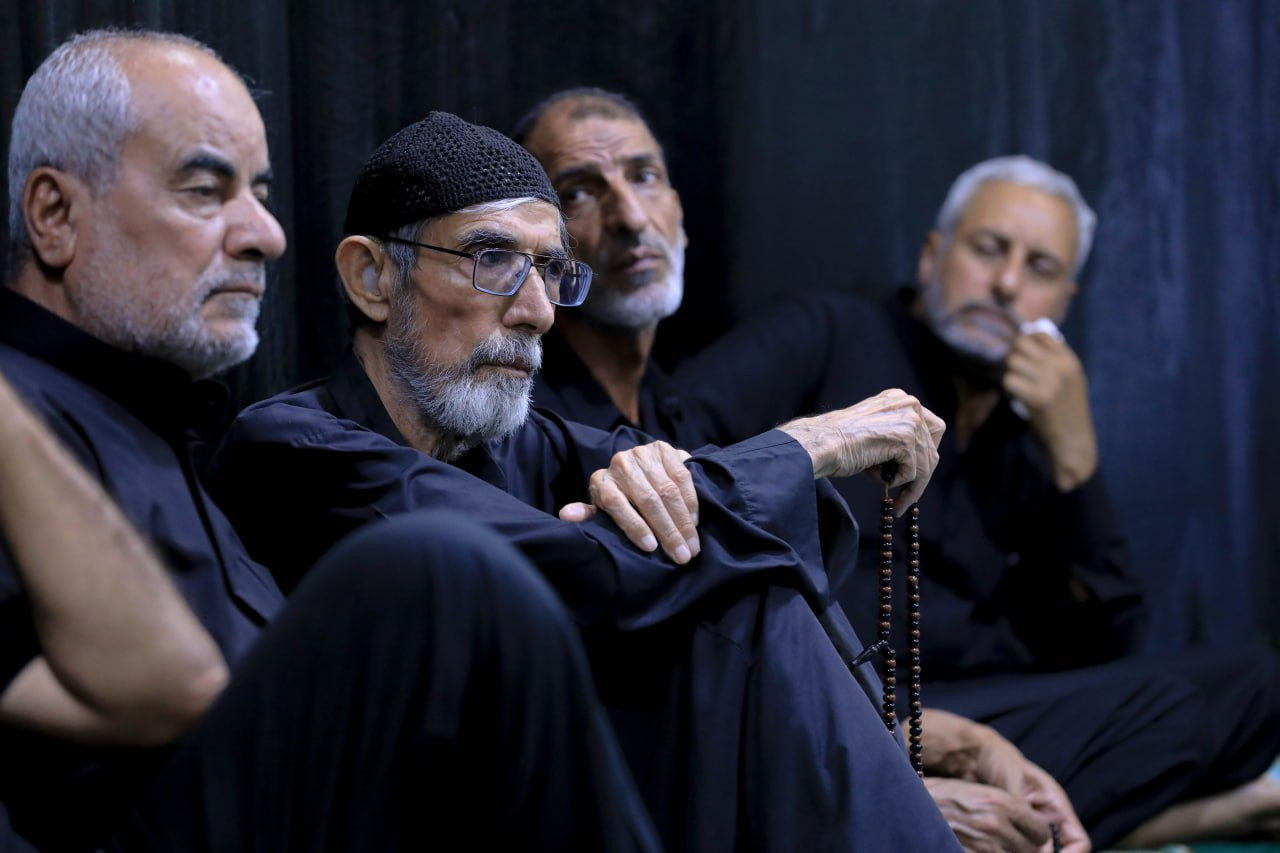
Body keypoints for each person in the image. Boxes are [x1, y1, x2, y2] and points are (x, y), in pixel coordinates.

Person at [207, 109, 974, 851]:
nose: (538, 311)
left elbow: (738, 523)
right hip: (409, 817)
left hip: (540, 797)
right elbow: (583, 571)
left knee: (743, 584)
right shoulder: (293, 448)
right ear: (372, 276)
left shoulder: (523, 444)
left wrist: (677, 478)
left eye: (550, 269)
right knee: (734, 600)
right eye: (493, 259)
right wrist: (813, 442)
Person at [0, 29, 663, 851]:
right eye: (205, 190)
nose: (267, 234)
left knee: (743, 609)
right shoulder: (30, 417)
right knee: (446, 566)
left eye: (259, 191)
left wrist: (716, 469)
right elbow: (171, 690)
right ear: (55, 215)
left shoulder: (155, 420)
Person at [674, 151, 1280, 847]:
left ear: (1063, 305)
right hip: (816, 707)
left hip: (982, 712)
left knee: (1251, 685)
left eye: (1040, 268)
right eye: (989, 249)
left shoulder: (1024, 438)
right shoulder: (827, 332)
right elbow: (668, 452)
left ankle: (955, 817)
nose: (1006, 283)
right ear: (933, 255)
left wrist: (1076, 460)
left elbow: (1102, 645)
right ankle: (1180, 819)